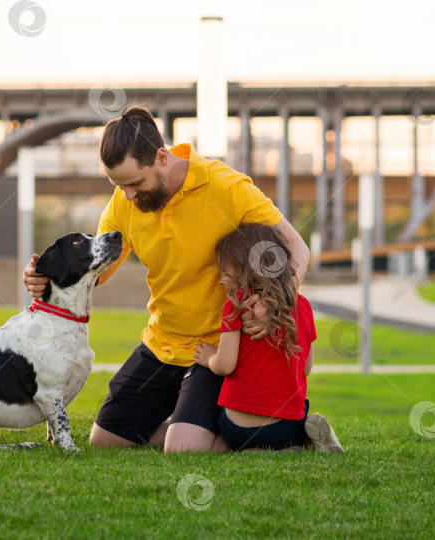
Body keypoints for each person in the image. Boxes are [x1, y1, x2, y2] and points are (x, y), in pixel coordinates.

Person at [22, 106, 310, 451]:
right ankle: (189, 421)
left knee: (183, 448)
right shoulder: (124, 202)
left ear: (161, 157)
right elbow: (94, 270)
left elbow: (297, 249)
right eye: (119, 186)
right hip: (161, 342)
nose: (128, 196)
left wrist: (275, 302)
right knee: (105, 441)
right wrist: (42, 278)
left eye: (135, 184)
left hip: (214, 349)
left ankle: (276, 426)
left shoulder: (227, 188)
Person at [190, 223, 343, 453]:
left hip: (237, 429)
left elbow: (225, 365)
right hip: (287, 426)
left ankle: (254, 449)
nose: (221, 280)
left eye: (225, 271)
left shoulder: (237, 302)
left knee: (219, 444)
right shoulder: (303, 306)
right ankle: (296, 443)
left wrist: (209, 357)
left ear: (245, 269)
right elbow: (307, 367)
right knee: (298, 418)